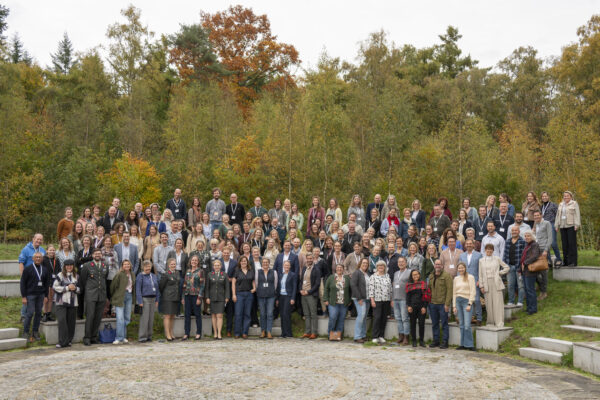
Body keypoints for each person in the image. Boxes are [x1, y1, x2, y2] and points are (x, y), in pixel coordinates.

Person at [79, 248, 108, 346]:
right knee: (90, 316)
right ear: (92, 255)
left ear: (101, 255)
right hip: (91, 294)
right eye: (96, 253)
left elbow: (104, 278)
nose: (98, 255)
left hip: (101, 294)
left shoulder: (105, 265)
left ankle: (94, 337)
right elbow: (83, 280)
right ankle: (87, 337)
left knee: (98, 317)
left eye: (99, 253)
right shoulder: (87, 266)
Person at [20, 252, 51, 341]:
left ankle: (35, 331)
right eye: (36, 257)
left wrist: (46, 296)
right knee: (30, 313)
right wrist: (24, 296)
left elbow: (46, 284)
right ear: (33, 259)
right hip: (30, 295)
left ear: (42, 259)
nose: (38, 259)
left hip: (41, 295)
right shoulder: (28, 269)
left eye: (39, 257)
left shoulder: (44, 270)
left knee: (38, 313)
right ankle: (26, 332)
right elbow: (23, 283)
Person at [479, 244, 510, 327]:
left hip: (496, 282)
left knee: (498, 303)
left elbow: (507, 267)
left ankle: (499, 322)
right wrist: (481, 286)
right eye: (487, 249)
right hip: (486, 283)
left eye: (490, 249)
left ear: (493, 250)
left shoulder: (497, 258)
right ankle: (490, 322)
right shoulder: (481, 260)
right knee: (489, 304)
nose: (489, 251)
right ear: (485, 250)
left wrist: (499, 273)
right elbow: (480, 274)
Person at [52, 258, 79, 348]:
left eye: (71, 265)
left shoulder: (77, 276)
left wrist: (75, 288)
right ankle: (62, 342)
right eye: (67, 266)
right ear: (64, 266)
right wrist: (67, 288)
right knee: (62, 321)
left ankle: (69, 340)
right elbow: (55, 287)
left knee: (71, 322)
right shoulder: (60, 275)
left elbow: (81, 289)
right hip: (61, 302)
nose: (69, 267)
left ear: (73, 266)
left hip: (73, 302)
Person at [110, 259, 136, 344]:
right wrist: (115, 296)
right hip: (120, 297)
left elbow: (133, 286)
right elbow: (113, 286)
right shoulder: (119, 274)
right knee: (120, 318)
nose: (127, 266)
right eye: (125, 264)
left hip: (129, 296)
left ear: (130, 266)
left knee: (127, 318)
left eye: (128, 264)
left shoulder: (132, 274)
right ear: (122, 266)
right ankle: (118, 338)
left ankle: (123, 336)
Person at [428, 259, 452, 349]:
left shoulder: (446, 276)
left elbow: (449, 290)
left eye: (439, 264)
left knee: (444, 323)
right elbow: (429, 289)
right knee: (434, 323)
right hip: (432, 303)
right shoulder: (431, 275)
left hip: (442, 304)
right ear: (434, 265)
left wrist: (447, 304)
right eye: (436, 264)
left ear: (442, 266)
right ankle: (436, 340)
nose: (437, 266)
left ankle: (445, 341)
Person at [324, 263, 352, 341]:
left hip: (344, 303)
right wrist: (325, 299)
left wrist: (349, 300)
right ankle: (331, 334)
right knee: (333, 317)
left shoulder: (347, 278)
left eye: (341, 268)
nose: (339, 269)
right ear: (335, 269)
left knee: (341, 319)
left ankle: (338, 335)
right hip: (333, 302)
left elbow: (350, 290)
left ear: (343, 269)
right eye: (338, 267)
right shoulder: (331, 277)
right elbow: (326, 289)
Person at [453, 262, 476, 351]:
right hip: (458, 302)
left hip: (466, 302)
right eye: (459, 268)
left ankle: (470, 345)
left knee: (467, 325)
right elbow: (454, 293)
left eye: (462, 268)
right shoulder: (456, 279)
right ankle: (462, 344)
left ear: (465, 268)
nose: (461, 269)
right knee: (461, 325)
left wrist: (470, 303)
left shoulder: (470, 277)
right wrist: (454, 306)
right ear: (457, 269)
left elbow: (473, 291)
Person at [459, 239, 483, 325]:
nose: (468, 245)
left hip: (475, 281)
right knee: (467, 300)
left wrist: (480, 280)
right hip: (465, 281)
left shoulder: (479, 255)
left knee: (476, 300)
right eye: (467, 244)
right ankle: (470, 318)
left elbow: (481, 269)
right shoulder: (462, 255)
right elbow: (459, 268)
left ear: (473, 245)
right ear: (465, 245)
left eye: (470, 244)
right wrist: (460, 280)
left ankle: (479, 318)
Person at [181, 255, 205, 340]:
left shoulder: (200, 271)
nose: (194, 262)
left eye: (195, 260)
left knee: (197, 314)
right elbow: (184, 284)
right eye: (192, 260)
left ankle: (198, 333)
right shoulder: (188, 271)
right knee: (187, 314)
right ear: (190, 262)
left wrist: (199, 298)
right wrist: (183, 297)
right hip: (187, 295)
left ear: (198, 262)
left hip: (196, 295)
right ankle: (186, 333)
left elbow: (202, 285)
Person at [232, 256, 256, 339]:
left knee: (247, 314)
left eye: (245, 261)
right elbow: (233, 283)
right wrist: (234, 294)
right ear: (240, 262)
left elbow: (253, 280)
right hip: (239, 294)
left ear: (247, 262)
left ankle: (245, 332)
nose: (243, 262)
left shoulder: (251, 270)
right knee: (238, 314)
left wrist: (254, 288)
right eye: (242, 261)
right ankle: (237, 332)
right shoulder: (237, 271)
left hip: (249, 294)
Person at [136, 260, 160, 343]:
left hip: (153, 299)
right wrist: (140, 301)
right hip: (145, 299)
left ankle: (149, 336)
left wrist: (157, 299)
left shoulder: (153, 275)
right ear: (143, 267)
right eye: (146, 266)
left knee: (151, 318)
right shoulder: (140, 276)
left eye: (149, 266)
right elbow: (138, 289)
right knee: (144, 319)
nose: (148, 268)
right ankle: (142, 337)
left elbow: (157, 288)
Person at [368, 260, 392, 344]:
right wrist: (372, 300)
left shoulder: (387, 276)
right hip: (377, 300)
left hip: (386, 300)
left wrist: (391, 299)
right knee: (377, 318)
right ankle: (375, 336)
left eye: (382, 266)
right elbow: (371, 289)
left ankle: (381, 336)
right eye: (379, 266)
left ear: (385, 267)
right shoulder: (373, 276)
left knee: (384, 318)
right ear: (377, 267)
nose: (381, 267)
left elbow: (390, 289)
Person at [555, 191, 580, 267]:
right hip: (562, 226)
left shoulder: (574, 203)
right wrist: (556, 225)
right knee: (564, 244)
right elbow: (558, 215)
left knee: (571, 244)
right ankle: (565, 261)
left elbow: (577, 214)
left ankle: (573, 262)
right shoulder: (561, 204)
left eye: (567, 196)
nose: (566, 197)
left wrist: (577, 224)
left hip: (571, 225)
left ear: (571, 197)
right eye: (564, 196)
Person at [206, 259, 230, 340]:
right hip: (212, 297)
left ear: (221, 266)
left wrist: (227, 297)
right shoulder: (210, 274)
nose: (217, 267)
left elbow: (227, 287)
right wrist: (207, 297)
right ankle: (215, 333)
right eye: (215, 265)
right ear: (213, 266)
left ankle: (219, 333)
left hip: (221, 298)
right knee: (213, 315)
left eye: (218, 265)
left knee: (219, 315)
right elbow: (207, 287)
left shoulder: (224, 274)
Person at [406, 269, 429, 347]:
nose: (415, 276)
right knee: (412, 324)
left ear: (419, 275)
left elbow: (426, 296)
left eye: (417, 274)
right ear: (411, 276)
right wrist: (409, 306)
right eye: (414, 275)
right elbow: (408, 297)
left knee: (421, 324)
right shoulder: (409, 285)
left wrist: (424, 307)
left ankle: (421, 341)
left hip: (421, 307)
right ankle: (414, 341)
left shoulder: (423, 284)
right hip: (412, 307)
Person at [299, 253, 320, 339]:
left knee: (313, 314)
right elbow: (301, 281)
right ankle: (307, 332)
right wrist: (300, 290)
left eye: (311, 258)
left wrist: (309, 292)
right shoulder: (304, 268)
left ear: (313, 259)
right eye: (308, 258)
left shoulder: (316, 269)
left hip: (311, 295)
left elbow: (317, 284)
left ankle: (314, 332)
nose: (309, 260)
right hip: (303, 294)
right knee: (306, 314)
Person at [256, 258, 278, 339]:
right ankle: (263, 331)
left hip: (271, 296)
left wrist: (271, 291)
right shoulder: (258, 272)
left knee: (269, 314)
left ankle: (269, 331)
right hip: (261, 295)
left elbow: (275, 284)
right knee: (262, 314)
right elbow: (257, 283)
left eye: (266, 262)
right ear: (261, 263)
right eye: (264, 262)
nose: (265, 264)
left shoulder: (274, 272)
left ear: (269, 263)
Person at [159, 258, 181, 341]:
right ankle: (167, 333)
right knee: (167, 315)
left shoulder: (177, 273)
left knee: (172, 315)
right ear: (168, 265)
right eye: (171, 264)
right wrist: (166, 293)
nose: (173, 265)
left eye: (174, 264)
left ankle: (171, 332)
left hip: (176, 297)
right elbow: (161, 286)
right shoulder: (165, 274)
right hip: (168, 297)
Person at [533, 210, 553, 301]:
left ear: (541, 215)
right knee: (535, 270)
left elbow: (550, 238)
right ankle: (540, 285)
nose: (536, 217)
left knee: (543, 272)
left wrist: (546, 250)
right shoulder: (535, 224)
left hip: (543, 250)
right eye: (535, 216)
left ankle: (543, 292)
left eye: (538, 215)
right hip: (536, 249)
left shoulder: (546, 223)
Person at [392, 257, 412, 345]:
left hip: (404, 299)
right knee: (398, 318)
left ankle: (406, 337)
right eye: (399, 262)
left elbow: (411, 286)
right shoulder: (396, 273)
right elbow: (393, 286)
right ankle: (401, 335)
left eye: (402, 262)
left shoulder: (409, 272)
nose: (401, 263)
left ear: (406, 263)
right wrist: (392, 299)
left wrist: (409, 301)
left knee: (405, 318)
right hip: (395, 299)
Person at [521, 231, 541, 315]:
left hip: (530, 270)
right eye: (525, 236)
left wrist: (525, 262)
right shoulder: (527, 245)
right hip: (525, 270)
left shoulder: (535, 245)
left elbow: (535, 256)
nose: (526, 237)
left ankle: (533, 309)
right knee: (526, 290)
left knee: (530, 290)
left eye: (528, 236)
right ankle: (529, 307)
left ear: (532, 236)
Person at [540, 191, 562, 266]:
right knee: (546, 243)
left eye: (545, 196)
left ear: (548, 197)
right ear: (541, 198)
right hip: (544, 225)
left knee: (553, 242)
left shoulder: (553, 205)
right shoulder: (541, 206)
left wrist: (557, 225)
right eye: (543, 196)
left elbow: (558, 215)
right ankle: (548, 260)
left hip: (552, 224)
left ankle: (558, 259)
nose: (544, 197)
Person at [276, 260, 297, 338]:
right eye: (285, 265)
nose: (286, 266)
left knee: (286, 314)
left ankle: (289, 333)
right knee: (282, 314)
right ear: (283, 266)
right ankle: (283, 333)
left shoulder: (293, 275)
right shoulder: (281, 275)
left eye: (288, 265)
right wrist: (277, 299)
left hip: (288, 296)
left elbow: (294, 287)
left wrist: (293, 298)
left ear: (290, 266)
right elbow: (278, 287)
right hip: (281, 296)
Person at [351, 258, 370, 343]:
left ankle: (363, 335)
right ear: (360, 263)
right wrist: (359, 298)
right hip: (360, 299)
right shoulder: (357, 272)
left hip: (367, 298)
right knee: (361, 316)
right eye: (363, 263)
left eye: (366, 263)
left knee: (364, 317)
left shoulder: (367, 274)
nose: (365, 264)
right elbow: (353, 285)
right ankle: (357, 336)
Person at [41, 245, 60, 322]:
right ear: (47, 251)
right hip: (46, 281)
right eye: (50, 250)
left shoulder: (56, 260)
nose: (52, 252)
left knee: (51, 298)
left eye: (53, 250)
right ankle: (44, 314)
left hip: (54, 281)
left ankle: (48, 313)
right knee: (46, 298)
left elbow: (59, 270)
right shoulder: (43, 259)